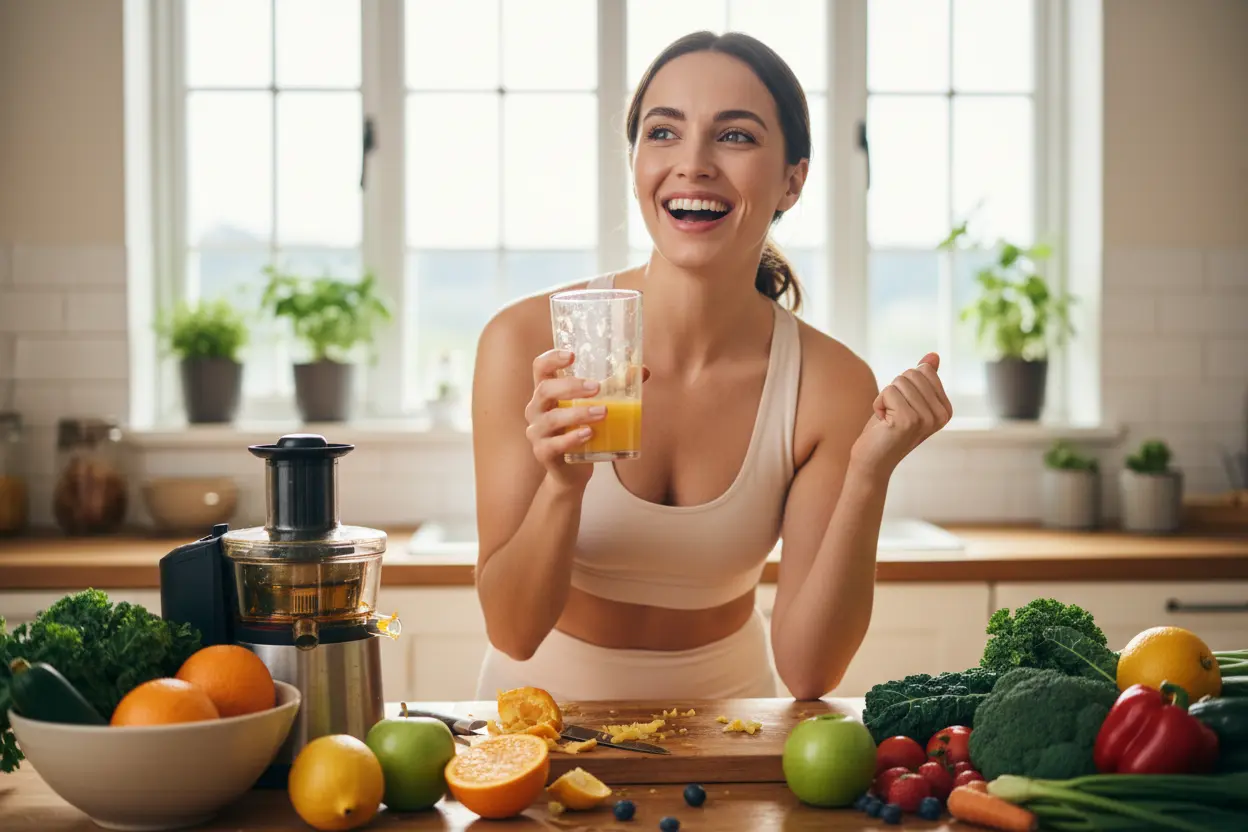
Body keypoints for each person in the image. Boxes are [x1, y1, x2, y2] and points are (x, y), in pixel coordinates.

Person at [469, 31, 951, 702]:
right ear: (635, 160)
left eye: (736, 137)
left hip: (731, 735)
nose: (693, 164)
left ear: (793, 179)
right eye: (664, 132)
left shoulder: (830, 385)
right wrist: (562, 484)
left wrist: (870, 475)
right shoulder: (524, 341)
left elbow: (810, 672)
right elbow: (513, 631)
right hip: (535, 736)